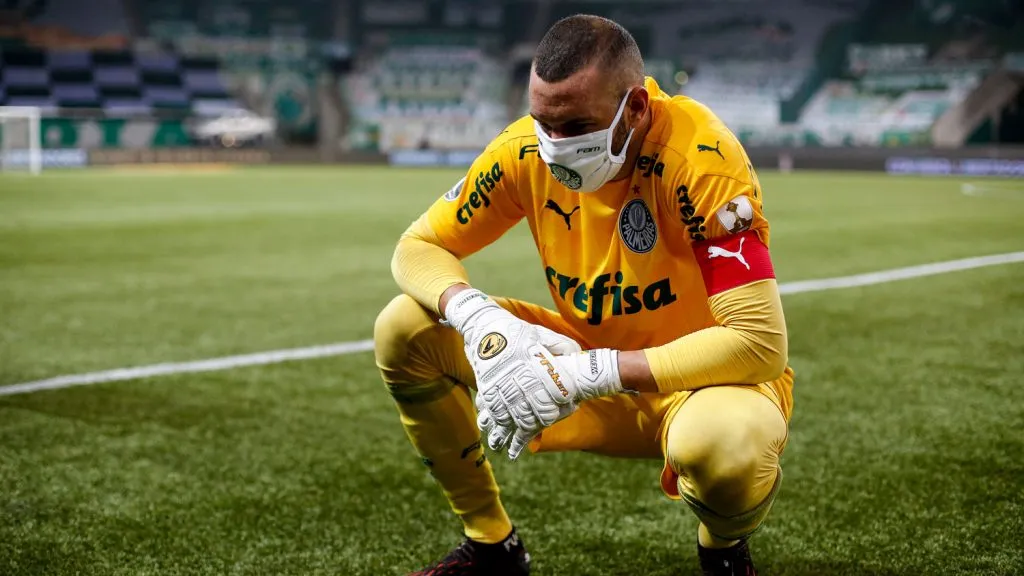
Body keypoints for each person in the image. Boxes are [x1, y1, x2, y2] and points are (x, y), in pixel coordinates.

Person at [374, 14, 794, 576]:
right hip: (581, 366)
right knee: (404, 327)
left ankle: (721, 552)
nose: (555, 146)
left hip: (700, 386)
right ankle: (491, 546)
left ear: (637, 109)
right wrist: (476, 319)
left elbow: (760, 345)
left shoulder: (702, 161)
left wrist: (594, 372)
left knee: (724, 445)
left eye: (575, 125)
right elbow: (418, 246)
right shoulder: (523, 150)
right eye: (543, 121)